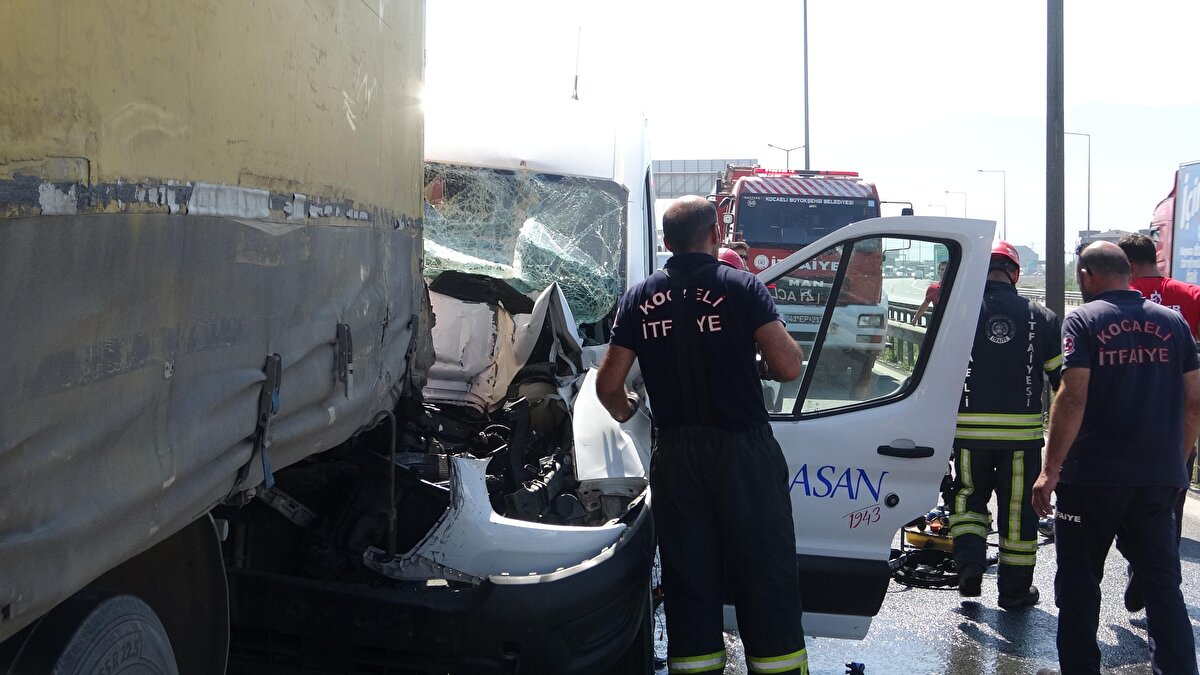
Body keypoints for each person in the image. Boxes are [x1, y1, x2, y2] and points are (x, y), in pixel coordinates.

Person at [595, 195, 807, 674]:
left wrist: (634, 416)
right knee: (765, 575)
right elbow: (789, 366)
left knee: (688, 581)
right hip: (742, 452)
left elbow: (609, 386)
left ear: (666, 243)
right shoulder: (741, 286)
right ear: (715, 235)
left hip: (676, 457)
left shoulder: (640, 297)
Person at [1032, 242, 1200, 675]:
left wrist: (1050, 471)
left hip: (1091, 478)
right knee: (1163, 587)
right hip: (1158, 478)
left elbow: (1072, 396)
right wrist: (1177, 466)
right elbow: (1195, 404)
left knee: (1079, 585)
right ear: (1128, 273)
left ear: (1086, 277)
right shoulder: (1174, 323)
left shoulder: (1084, 319)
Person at [948, 240, 1062, 609]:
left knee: (967, 499)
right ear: (1015, 274)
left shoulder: (959, 313)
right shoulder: (1041, 317)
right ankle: (1014, 592)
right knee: (1018, 511)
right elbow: (1061, 382)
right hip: (1021, 439)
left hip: (968, 434)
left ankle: (969, 566)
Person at [1115, 232, 1200, 613]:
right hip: (1176, 423)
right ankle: (1160, 581)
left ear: (1127, 264)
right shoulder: (1190, 296)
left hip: (1121, 421)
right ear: (1155, 257)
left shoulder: (1114, 296)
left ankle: (1137, 566)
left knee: (1119, 500)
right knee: (1168, 505)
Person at [911, 260, 949, 325]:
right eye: (942, 269)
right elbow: (925, 305)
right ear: (938, 272)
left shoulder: (958, 287)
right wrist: (915, 318)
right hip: (939, 322)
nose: (944, 272)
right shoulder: (933, 289)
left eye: (947, 269)